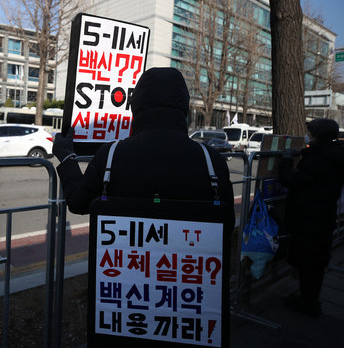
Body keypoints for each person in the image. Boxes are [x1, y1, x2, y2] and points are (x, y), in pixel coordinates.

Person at [53, 67, 235, 226]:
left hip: (122, 263)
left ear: (136, 104)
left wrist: (67, 156)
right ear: (184, 106)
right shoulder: (212, 161)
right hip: (190, 264)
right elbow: (227, 223)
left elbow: (78, 202)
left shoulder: (111, 155)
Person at [279, 118, 344, 317]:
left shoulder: (318, 159)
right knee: (316, 262)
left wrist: (286, 161)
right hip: (323, 216)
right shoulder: (334, 155)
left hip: (308, 218)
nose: (308, 135)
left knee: (309, 263)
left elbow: (293, 181)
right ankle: (309, 298)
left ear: (317, 136)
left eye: (311, 132)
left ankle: (308, 302)